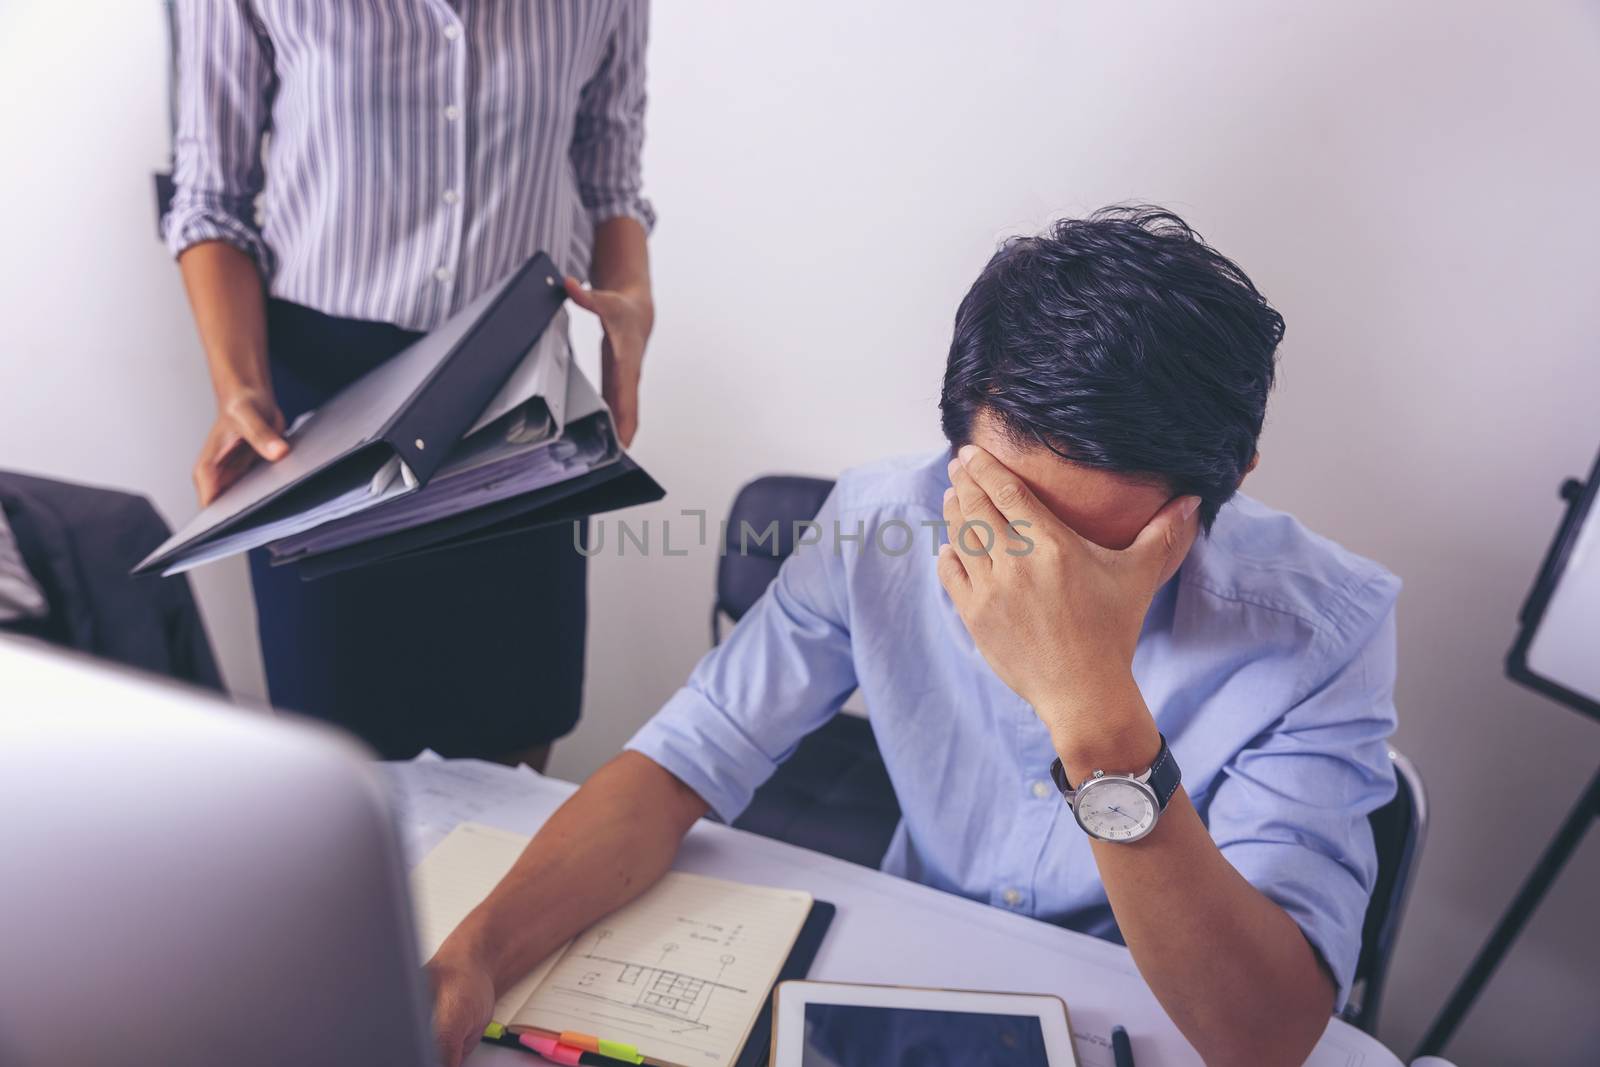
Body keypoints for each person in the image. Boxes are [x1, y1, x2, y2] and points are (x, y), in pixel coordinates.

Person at [426, 207, 1400, 1066]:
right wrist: (475, 954)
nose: (1031, 568)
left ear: (1214, 493)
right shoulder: (882, 516)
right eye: (998, 504)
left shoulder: (1321, 632)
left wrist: (1091, 708)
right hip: (910, 973)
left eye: (1085, 540)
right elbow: (686, 757)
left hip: (1151, 1007)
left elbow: (1261, 1037)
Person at [164, 1, 655, 763]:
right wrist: (239, 386)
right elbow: (211, 200)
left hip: (518, 406)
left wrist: (631, 301)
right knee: (338, 760)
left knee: (515, 742)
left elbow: (611, 178)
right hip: (324, 418)